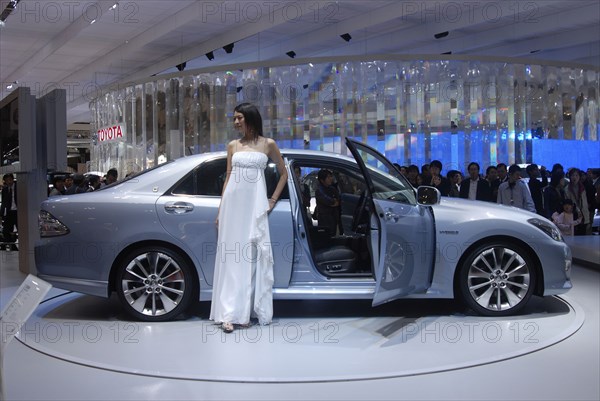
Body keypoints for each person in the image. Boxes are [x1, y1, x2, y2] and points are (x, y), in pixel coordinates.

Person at [210, 103, 287, 334]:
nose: (235, 122)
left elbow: (284, 174)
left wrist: (272, 200)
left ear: (251, 118)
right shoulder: (233, 145)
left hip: (254, 206)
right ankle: (229, 313)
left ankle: (244, 313)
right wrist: (220, 209)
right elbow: (228, 178)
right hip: (233, 206)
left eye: (239, 118)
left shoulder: (268, 144)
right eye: (234, 118)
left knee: (252, 258)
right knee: (232, 258)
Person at [315, 169, 341, 235]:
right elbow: (330, 201)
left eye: (331, 176)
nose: (330, 179)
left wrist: (335, 202)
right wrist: (333, 201)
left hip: (334, 217)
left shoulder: (332, 189)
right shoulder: (319, 190)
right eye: (328, 177)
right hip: (324, 219)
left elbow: (338, 201)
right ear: (322, 180)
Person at [564, 168, 590, 235]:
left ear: (579, 177)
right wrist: (577, 210)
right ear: (569, 177)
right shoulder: (567, 189)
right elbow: (568, 203)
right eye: (573, 175)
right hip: (573, 215)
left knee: (583, 235)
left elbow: (585, 202)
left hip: (584, 214)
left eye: (576, 175)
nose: (574, 177)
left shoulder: (582, 187)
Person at [1, 173, 18, 244]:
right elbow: (3, 202)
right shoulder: (5, 189)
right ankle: (12, 245)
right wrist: (1, 214)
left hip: (18, 212)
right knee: (6, 231)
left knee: (22, 229)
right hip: (9, 212)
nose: (9, 182)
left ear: (13, 179)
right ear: (5, 181)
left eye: (10, 180)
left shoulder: (18, 187)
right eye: (7, 180)